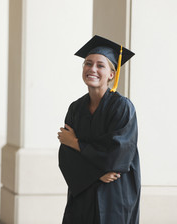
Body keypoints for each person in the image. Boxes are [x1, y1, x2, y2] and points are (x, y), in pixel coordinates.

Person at [58, 35, 141, 224]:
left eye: (100, 65)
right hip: (82, 194)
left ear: (112, 74)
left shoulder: (122, 107)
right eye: (88, 63)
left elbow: (117, 156)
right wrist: (97, 173)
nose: (92, 69)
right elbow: (66, 156)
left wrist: (76, 142)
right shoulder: (76, 108)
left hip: (114, 193)